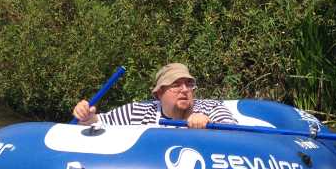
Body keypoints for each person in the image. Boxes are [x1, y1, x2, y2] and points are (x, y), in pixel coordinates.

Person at [72, 63, 236, 128]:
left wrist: (210, 125)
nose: (185, 89)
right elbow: (99, 123)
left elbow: (234, 133)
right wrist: (85, 116)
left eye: (189, 84)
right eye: (176, 85)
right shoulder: (136, 112)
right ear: (159, 94)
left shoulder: (211, 108)